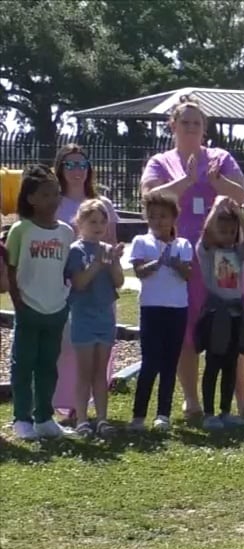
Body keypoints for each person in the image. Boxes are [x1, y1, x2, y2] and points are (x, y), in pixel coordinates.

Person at [139, 94, 244, 422]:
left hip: (224, 257)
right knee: (186, 326)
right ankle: (191, 400)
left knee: (232, 324)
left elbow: (241, 195)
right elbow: (151, 197)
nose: (191, 128)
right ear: (172, 126)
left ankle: (241, 398)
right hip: (183, 257)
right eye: (185, 122)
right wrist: (187, 180)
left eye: (197, 123)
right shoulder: (160, 162)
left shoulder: (220, 158)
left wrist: (218, 183)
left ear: (205, 129)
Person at [52, 144, 121, 426]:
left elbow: (111, 245)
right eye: (70, 164)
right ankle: (67, 407)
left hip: (101, 301)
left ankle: (96, 414)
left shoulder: (102, 203)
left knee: (97, 363)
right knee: (67, 351)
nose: (77, 170)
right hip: (68, 293)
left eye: (82, 164)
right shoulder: (53, 200)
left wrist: (112, 260)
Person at [7, 166, 76, 440]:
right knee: (23, 364)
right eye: (46, 194)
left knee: (48, 365)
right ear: (31, 198)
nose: (54, 199)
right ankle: (21, 419)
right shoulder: (20, 230)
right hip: (28, 309)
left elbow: (66, 269)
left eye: (57, 193)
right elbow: (11, 270)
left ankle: (44, 418)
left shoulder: (66, 232)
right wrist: (18, 302)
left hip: (56, 309)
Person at [127, 191, 193, 431]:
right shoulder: (141, 242)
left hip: (177, 309)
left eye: (163, 216)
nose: (158, 221)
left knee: (169, 363)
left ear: (174, 218)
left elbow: (188, 274)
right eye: (153, 216)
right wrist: (158, 262)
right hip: (151, 309)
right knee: (149, 363)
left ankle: (162, 414)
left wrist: (175, 263)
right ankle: (138, 416)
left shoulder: (183, 245)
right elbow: (140, 271)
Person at [64, 199, 125, 437]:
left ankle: (102, 419)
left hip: (105, 318)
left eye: (102, 221)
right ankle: (81, 419)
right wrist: (98, 264)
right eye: (92, 221)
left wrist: (114, 262)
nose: (98, 226)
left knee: (101, 372)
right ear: (80, 223)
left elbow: (118, 281)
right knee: (84, 371)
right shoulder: (76, 250)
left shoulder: (107, 249)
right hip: (83, 318)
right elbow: (79, 283)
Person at [194, 197, 244, 431]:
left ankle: (226, 411)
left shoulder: (237, 252)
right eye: (223, 231)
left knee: (231, 364)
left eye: (231, 231)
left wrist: (239, 215)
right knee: (213, 364)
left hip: (236, 313)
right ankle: (209, 413)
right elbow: (207, 232)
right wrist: (217, 207)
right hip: (216, 314)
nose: (227, 235)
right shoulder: (207, 252)